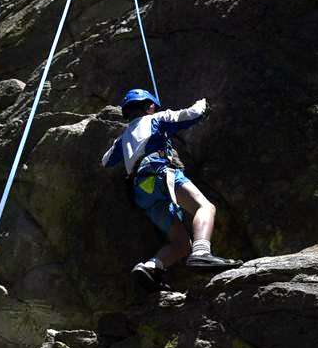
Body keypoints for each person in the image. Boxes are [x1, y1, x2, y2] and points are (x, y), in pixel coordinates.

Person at [102, 88, 239, 289]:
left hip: (142, 190)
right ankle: (202, 253)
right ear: (149, 107)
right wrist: (203, 104)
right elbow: (191, 114)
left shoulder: (122, 139)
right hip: (160, 173)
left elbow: (106, 161)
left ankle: (150, 266)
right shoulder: (157, 118)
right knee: (205, 207)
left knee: (181, 244)